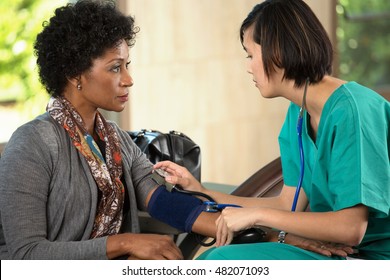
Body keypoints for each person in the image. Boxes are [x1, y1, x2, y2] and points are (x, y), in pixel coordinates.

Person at [155, 0, 390, 260]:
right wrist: (202, 191)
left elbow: (351, 228)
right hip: (339, 254)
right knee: (218, 259)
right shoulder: (298, 111)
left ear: (277, 51)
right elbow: (286, 204)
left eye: (250, 54)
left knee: (220, 261)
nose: (247, 66)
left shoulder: (354, 111)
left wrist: (255, 215)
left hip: (375, 258)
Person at [0, 0, 221, 260]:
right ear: (75, 74)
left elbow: (160, 200)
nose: (128, 79)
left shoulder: (115, 139)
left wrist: (238, 225)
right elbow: (26, 254)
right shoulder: (32, 143)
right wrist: (124, 243)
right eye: (116, 68)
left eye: (127, 66)